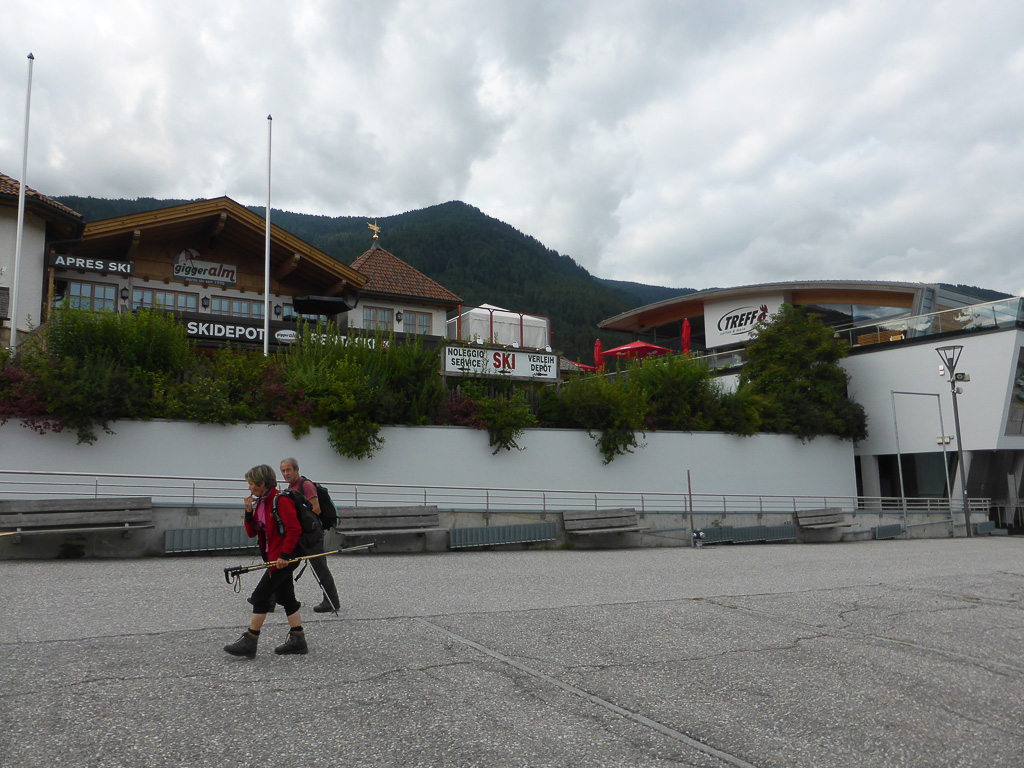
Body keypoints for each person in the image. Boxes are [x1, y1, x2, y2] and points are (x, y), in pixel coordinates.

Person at [224, 464, 308, 657]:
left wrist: (285, 555)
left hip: (285, 557)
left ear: (262, 483)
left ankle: (250, 640)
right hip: (274, 558)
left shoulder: (281, 500)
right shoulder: (261, 503)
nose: (249, 487)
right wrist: (248, 512)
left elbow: (294, 529)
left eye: (252, 483)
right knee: (286, 596)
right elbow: (252, 532)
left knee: (260, 596)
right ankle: (298, 639)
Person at [280, 457, 341, 613]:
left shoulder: (305, 485)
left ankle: (332, 601)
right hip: (299, 535)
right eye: (283, 471)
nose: (286, 473)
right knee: (284, 564)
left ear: (297, 470)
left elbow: (316, 509)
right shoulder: (291, 487)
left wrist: (299, 521)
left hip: (311, 535)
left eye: (288, 470)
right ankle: (271, 598)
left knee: (320, 567)